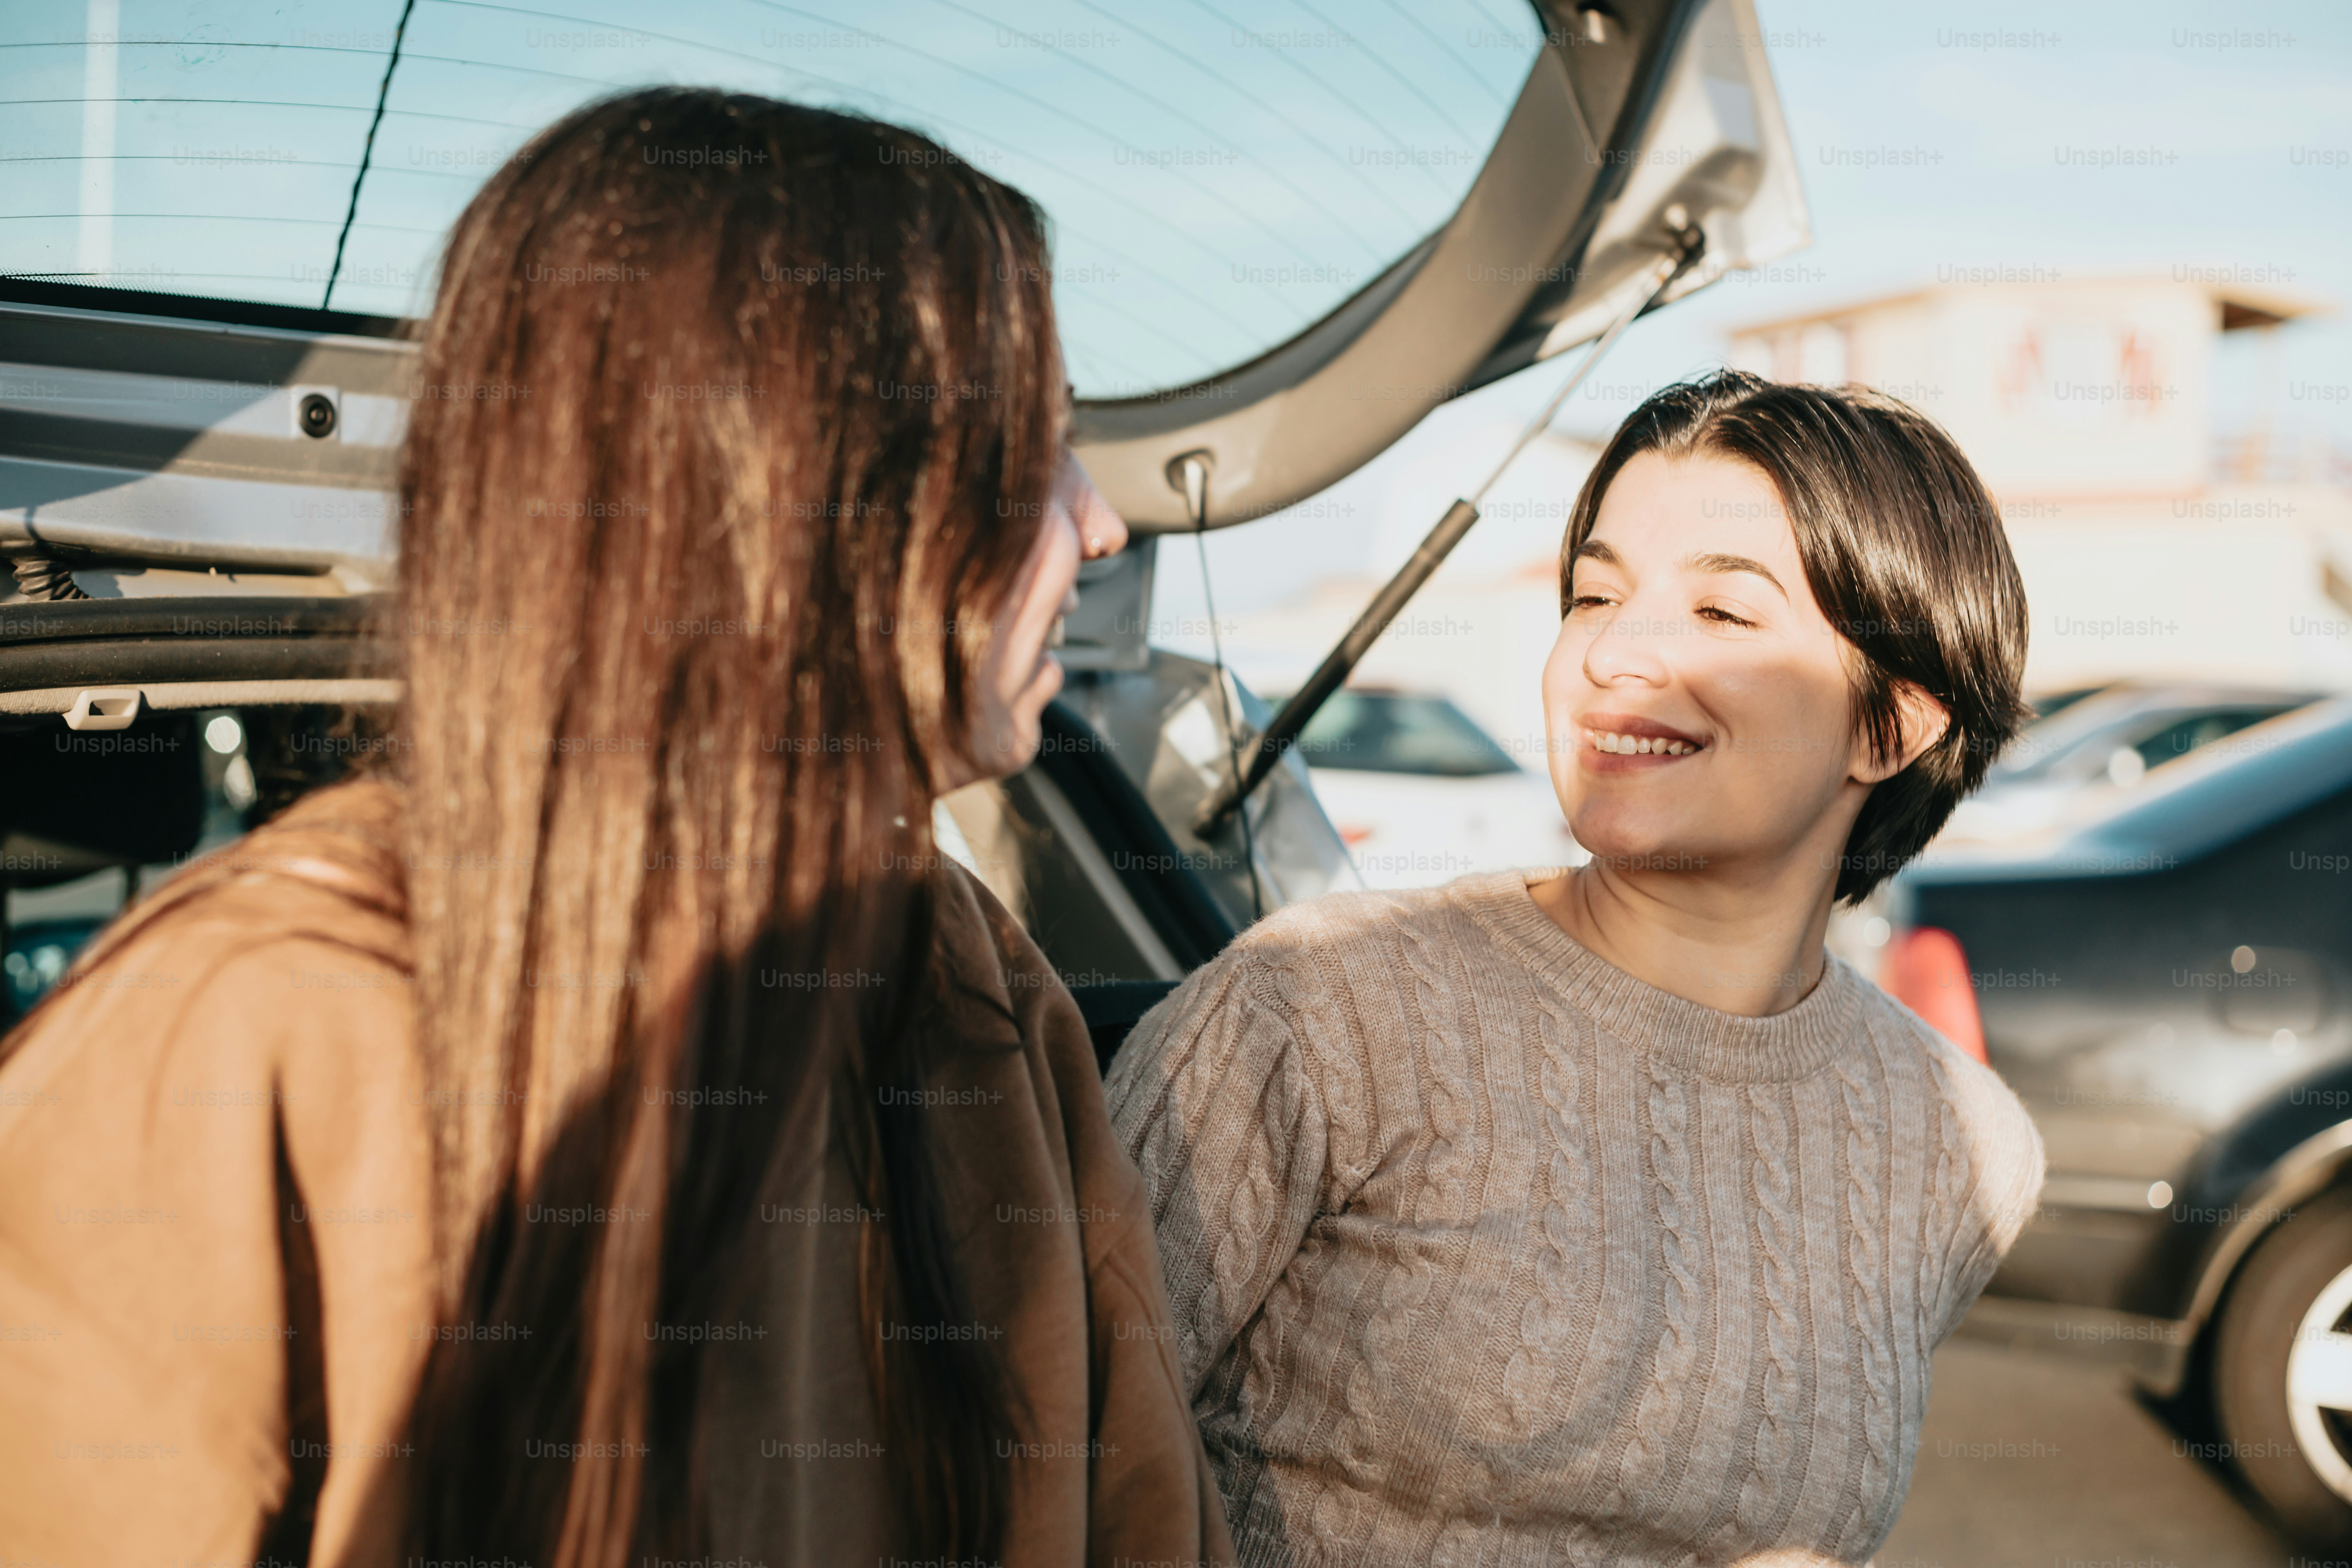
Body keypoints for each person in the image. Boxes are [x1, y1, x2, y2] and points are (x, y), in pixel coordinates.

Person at [0, 89, 1230, 1567]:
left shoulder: (973, 983)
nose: (1099, 530)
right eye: (1036, 445)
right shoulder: (245, 1026)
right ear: (800, 496)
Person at [1105, 370, 2048, 1565]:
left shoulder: (1965, 1146)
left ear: (1890, 726)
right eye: (1597, 594)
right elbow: (1021, 1480)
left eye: (1723, 614)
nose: (1611, 658)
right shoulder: (1318, 1012)